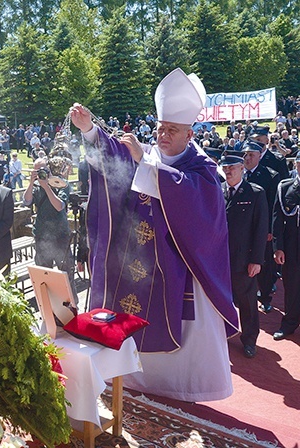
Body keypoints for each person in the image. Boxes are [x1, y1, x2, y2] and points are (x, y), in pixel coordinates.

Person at [71, 68, 239, 402]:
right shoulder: (149, 153)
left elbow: (197, 199)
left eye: (171, 131)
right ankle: (133, 379)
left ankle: (187, 388)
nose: (162, 136)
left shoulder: (202, 166)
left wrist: (146, 166)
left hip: (180, 265)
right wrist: (89, 130)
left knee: (187, 332)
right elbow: (118, 162)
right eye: (161, 129)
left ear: (189, 134)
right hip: (140, 263)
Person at [221, 153, 268, 358]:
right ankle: (222, 335)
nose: (228, 171)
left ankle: (249, 339)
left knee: (248, 302)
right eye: (225, 168)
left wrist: (256, 260)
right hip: (219, 259)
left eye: (232, 167)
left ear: (242, 168)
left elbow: (260, 229)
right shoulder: (217, 190)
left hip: (243, 259)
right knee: (220, 300)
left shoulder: (255, 193)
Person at [243, 141, 280, 313]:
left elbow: (274, 205)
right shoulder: (239, 172)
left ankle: (265, 297)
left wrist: (270, 230)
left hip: (261, 228)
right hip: (243, 228)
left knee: (263, 263)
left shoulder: (270, 176)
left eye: (251, 155)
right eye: (245, 154)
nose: (247, 158)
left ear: (259, 155)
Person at [23, 157, 74, 283]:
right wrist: (31, 183)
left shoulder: (62, 184)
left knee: (66, 273)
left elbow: (59, 206)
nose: (41, 173)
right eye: (37, 171)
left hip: (60, 235)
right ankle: (47, 301)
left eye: (43, 170)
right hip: (42, 235)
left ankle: (71, 301)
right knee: (44, 275)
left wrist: (46, 187)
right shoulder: (35, 186)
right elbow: (26, 201)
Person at [272, 153, 300, 341]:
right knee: (291, 286)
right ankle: (290, 323)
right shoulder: (285, 187)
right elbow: (277, 218)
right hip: (292, 247)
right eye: (299, 163)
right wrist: (278, 247)